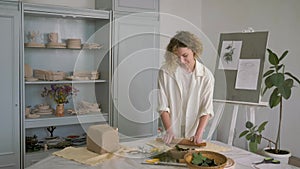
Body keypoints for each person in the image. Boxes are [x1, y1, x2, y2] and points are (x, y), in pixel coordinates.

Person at [157, 31, 214, 144]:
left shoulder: (206, 76)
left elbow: (206, 109)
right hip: (171, 130)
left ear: (194, 51)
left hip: (193, 132)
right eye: (177, 57)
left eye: (185, 56)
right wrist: (169, 130)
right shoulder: (165, 72)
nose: (182, 61)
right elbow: (163, 106)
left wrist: (198, 134)